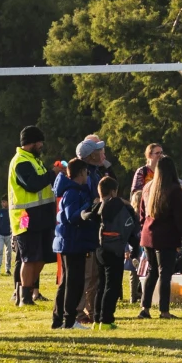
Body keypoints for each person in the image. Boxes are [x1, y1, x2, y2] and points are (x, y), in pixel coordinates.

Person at [7, 125, 55, 306]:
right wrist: (52, 174)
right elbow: (32, 184)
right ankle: (24, 296)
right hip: (26, 218)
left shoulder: (34, 160)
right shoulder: (20, 161)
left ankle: (27, 290)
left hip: (41, 216)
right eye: (39, 142)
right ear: (30, 143)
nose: (42, 145)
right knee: (29, 258)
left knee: (41, 257)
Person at [137, 153, 182, 318]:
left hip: (147, 234)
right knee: (165, 273)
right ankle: (164, 310)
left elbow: (142, 214)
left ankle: (145, 308)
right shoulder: (174, 189)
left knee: (152, 272)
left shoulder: (148, 187)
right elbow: (180, 216)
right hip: (166, 236)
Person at [50, 156, 96, 330]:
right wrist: (88, 209)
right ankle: (69, 320)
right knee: (73, 282)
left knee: (68, 281)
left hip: (71, 241)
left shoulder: (75, 190)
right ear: (81, 173)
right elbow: (71, 216)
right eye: (86, 172)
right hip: (72, 241)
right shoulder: (72, 192)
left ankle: (58, 320)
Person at [73, 137, 111, 324]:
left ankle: (93, 310)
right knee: (87, 275)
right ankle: (79, 313)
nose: (103, 152)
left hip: (94, 230)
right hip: (86, 230)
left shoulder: (96, 172)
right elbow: (87, 202)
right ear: (91, 156)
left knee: (95, 274)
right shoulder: (86, 175)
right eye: (99, 150)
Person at [94, 175, 139, 328]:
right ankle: (106, 320)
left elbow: (85, 216)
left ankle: (96, 319)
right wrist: (135, 251)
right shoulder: (122, 207)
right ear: (114, 192)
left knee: (101, 285)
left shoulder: (97, 206)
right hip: (115, 250)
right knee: (112, 285)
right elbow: (132, 229)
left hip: (99, 249)